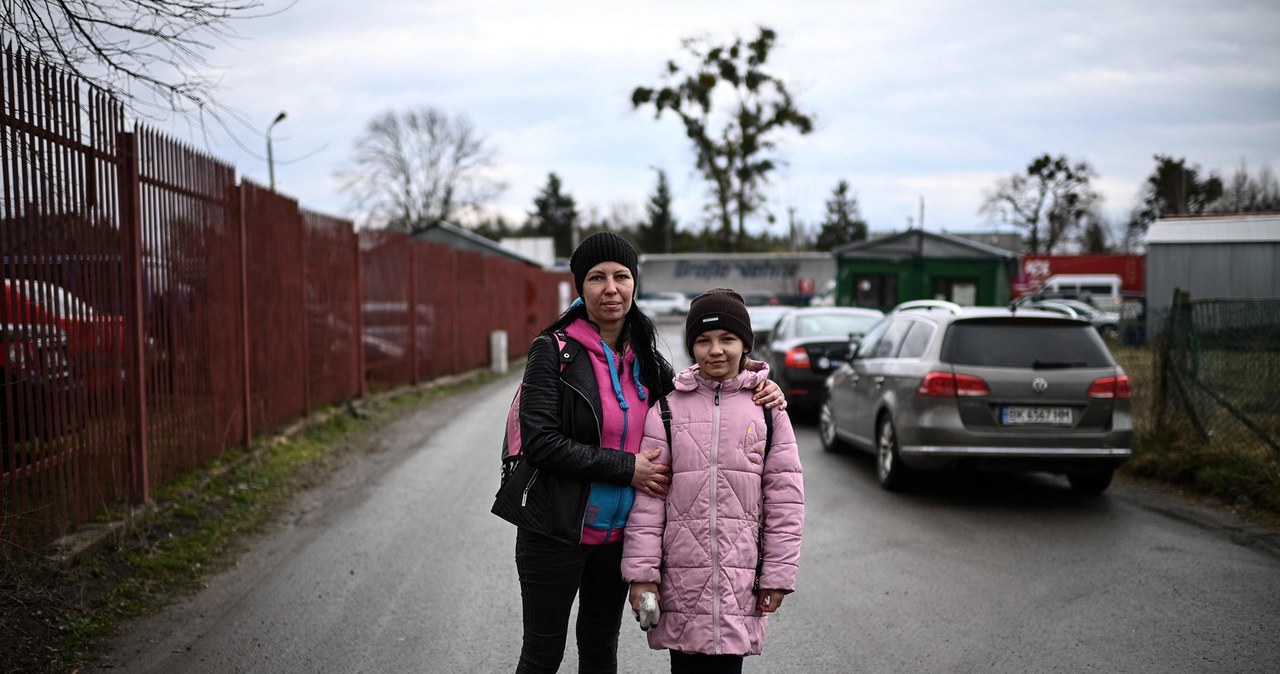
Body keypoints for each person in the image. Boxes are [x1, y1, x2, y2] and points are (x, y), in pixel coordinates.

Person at [491, 233, 786, 674]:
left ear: (634, 284)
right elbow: (540, 443)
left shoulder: (645, 356)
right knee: (542, 655)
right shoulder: (553, 352)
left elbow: (700, 391)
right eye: (597, 277)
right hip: (554, 533)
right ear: (580, 286)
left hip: (615, 538)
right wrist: (627, 468)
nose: (611, 288)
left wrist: (759, 383)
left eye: (622, 276)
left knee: (598, 652)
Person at [622, 288, 805, 674]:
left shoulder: (769, 412)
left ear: (745, 345)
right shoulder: (667, 411)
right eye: (703, 341)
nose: (715, 350)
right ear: (692, 347)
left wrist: (777, 576)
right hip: (681, 581)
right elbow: (648, 504)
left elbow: (785, 502)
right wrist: (642, 576)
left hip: (741, 582)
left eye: (727, 339)